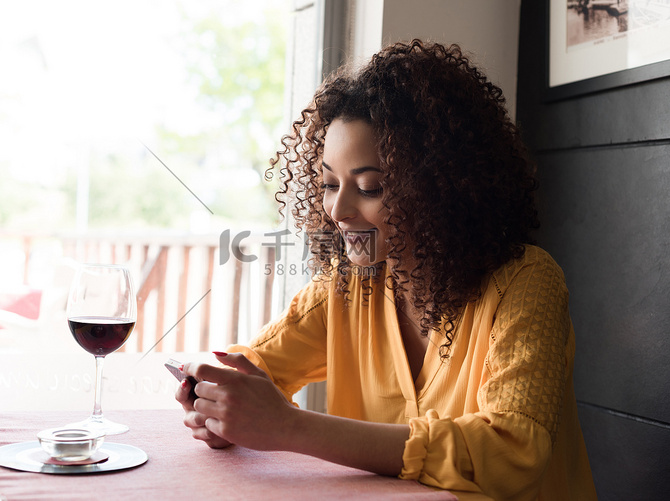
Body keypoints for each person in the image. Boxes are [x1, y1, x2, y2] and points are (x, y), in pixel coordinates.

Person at [175, 39, 597, 501]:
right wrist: (218, 403)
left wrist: (290, 427)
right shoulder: (347, 285)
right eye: (329, 184)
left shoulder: (527, 282)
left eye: (370, 187)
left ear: (441, 186)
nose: (338, 210)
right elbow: (254, 367)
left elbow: (514, 450)